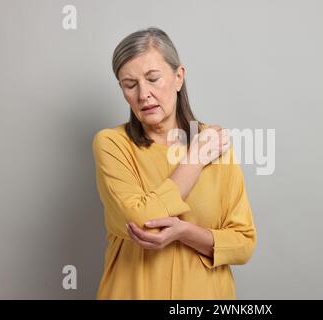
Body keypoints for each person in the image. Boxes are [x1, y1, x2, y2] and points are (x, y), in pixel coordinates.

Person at [92, 27, 256, 299]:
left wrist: (184, 232)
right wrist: (194, 160)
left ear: (178, 77)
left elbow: (243, 244)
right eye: (129, 85)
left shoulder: (214, 143)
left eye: (153, 78)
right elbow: (144, 223)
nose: (143, 94)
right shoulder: (111, 144)